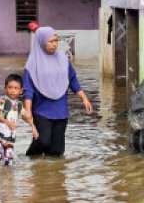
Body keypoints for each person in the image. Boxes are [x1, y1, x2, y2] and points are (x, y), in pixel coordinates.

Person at [23, 27, 93, 157]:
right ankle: (31, 160)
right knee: (43, 141)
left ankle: (53, 174)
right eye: (50, 41)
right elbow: (28, 89)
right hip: (41, 109)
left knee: (56, 150)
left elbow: (72, 79)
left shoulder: (62, 58)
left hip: (60, 109)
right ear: (41, 42)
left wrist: (84, 98)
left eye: (56, 40)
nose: (54, 44)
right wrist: (27, 110)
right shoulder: (32, 64)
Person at [0, 74, 37, 165]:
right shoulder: (2, 100)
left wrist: (33, 128)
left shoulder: (19, 104)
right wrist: (7, 122)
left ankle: (8, 178)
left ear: (21, 91)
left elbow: (27, 117)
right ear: (5, 88)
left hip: (10, 137)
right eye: (10, 87)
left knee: (9, 161)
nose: (12, 90)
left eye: (16, 88)